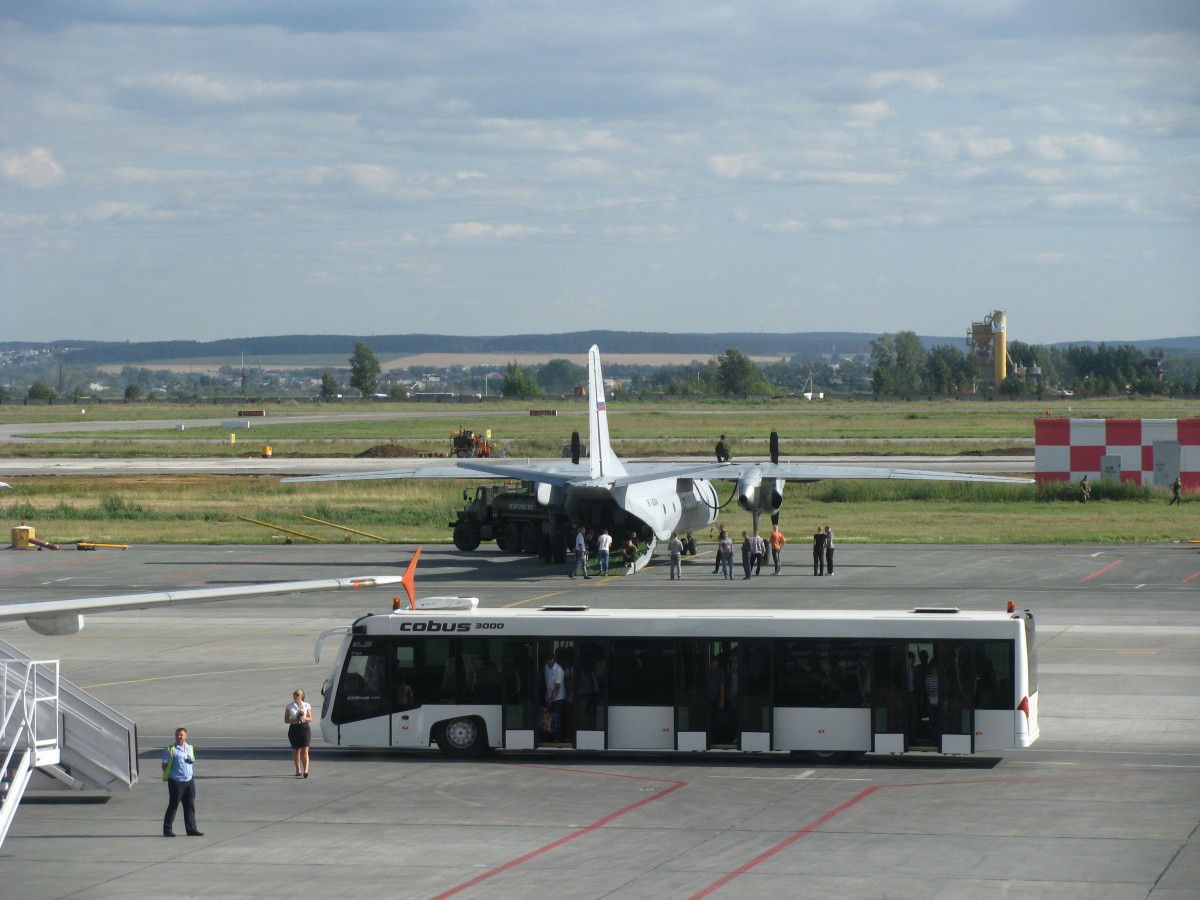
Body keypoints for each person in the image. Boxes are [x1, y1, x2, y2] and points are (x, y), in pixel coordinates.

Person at [162, 727, 202, 837]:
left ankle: (191, 829)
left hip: (189, 781)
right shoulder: (171, 749)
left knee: (190, 805)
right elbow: (164, 765)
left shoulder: (190, 748)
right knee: (174, 805)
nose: (179, 737)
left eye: (181, 735)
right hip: (176, 781)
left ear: (186, 736)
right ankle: (167, 829)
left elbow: (191, 761)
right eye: (177, 735)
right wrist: (171, 777)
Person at [285, 688, 312, 778]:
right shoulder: (289, 706)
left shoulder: (306, 705)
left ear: (302, 696)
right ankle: (297, 769)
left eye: (297, 694)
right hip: (294, 728)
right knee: (296, 750)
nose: (295, 696)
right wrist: (295, 719)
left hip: (304, 727)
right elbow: (286, 720)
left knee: (305, 749)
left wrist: (303, 718)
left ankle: (306, 770)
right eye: (294, 694)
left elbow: (310, 718)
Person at [543, 652, 565, 741]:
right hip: (549, 696)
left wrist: (551, 700)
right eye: (549, 663)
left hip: (558, 698)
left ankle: (558, 739)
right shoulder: (546, 667)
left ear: (555, 661)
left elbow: (557, 687)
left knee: (557, 718)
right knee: (548, 718)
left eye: (552, 663)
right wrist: (549, 699)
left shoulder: (559, 670)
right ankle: (549, 737)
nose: (550, 665)